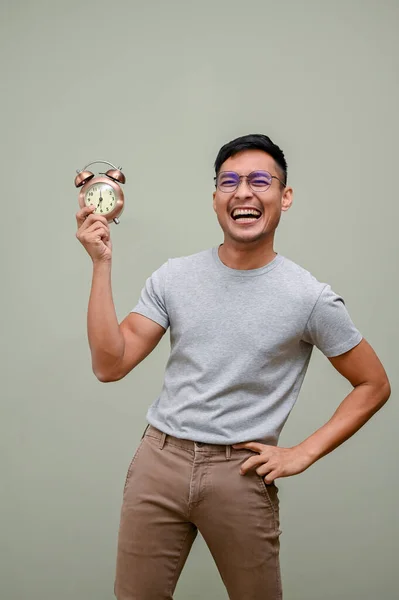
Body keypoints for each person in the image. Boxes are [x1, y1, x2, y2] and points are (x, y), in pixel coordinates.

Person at [75, 134, 391, 600]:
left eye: (260, 181)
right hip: (158, 463)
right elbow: (110, 364)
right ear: (216, 199)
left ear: (284, 197)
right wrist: (101, 264)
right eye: (230, 182)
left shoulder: (309, 297)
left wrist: (302, 453)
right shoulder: (174, 277)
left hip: (241, 474)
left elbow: (374, 384)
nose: (243, 192)